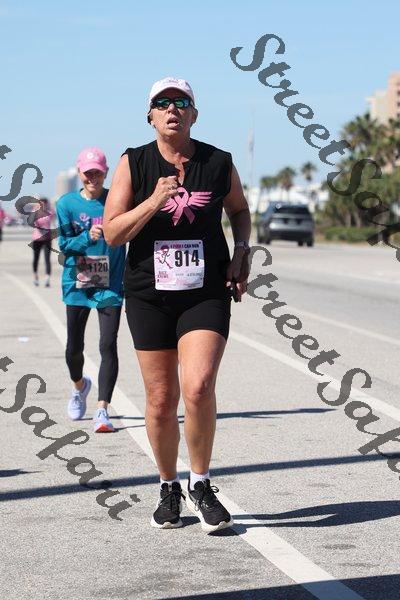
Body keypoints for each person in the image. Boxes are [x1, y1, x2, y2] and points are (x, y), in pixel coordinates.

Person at [103, 77, 251, 532]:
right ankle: (168, 486)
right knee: (161, 398)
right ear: (150, 116)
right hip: (149, 294)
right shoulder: (134, 162)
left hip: (205, 292)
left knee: (199, 386)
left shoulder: (218, 161)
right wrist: (154, 200)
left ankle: (201, 484)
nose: (172, 109)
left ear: (194, 114)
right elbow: (113, 233)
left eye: (181, 102)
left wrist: (242, 250)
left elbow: (240, 210)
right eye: (162, 103)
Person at [56, 147, 125, 433]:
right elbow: (64, 245)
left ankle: (102, 410)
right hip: (78, 283)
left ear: (106, 172)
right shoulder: (67, 204)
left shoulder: (117, 200)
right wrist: (87, 236)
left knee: (108, 345)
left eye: (97, 172)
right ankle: (79, 386)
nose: (92, 178)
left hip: (110, 284)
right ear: (79, 173)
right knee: (74, 347)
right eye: (87, 173)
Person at [31, 197, 53, 287]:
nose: (43, 206)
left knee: (47, 259)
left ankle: (47, 279)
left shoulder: (50, 213)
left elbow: (53, 222)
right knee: (36, 259)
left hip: (47, 239)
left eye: (45, 204)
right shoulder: (35, 213)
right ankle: (35, 276)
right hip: (37, 239)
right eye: (41, 204)